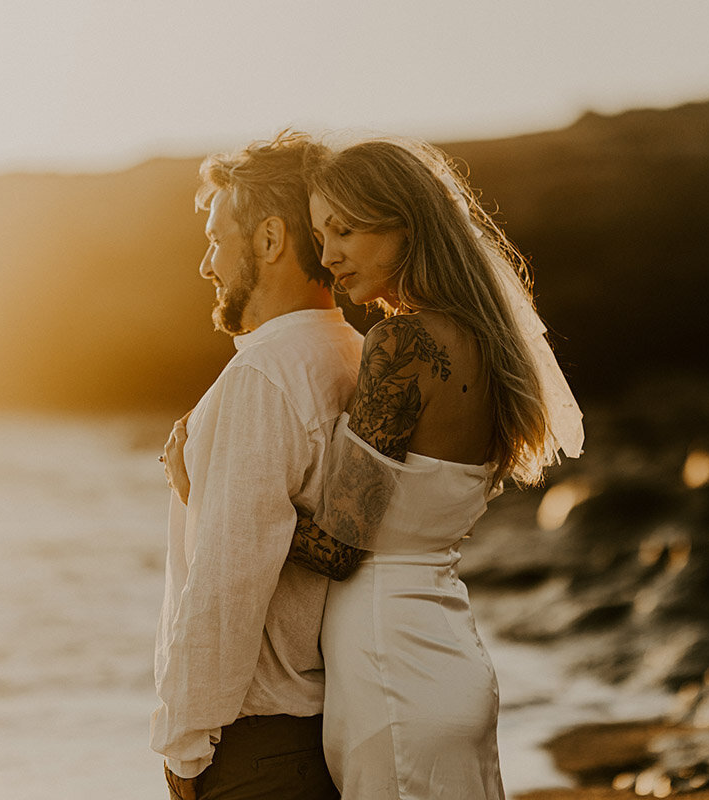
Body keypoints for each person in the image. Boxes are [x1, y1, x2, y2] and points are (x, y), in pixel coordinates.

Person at [284, 138, 585, 799]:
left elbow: (337, 546)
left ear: (406, 225)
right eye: (318, 234)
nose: (328, 254)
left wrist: (227, 500)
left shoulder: (401, 343)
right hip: (449, 651)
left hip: (387, 660)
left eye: (347, 230)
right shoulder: (488, 345)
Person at [150, 131, 364, 800]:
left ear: (270, 240)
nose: (207, 265)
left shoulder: (264, 376)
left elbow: (227, 583)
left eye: (217, 240)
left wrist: (183, 748)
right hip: (319, 732)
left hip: (258, 750)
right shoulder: (352, 355)